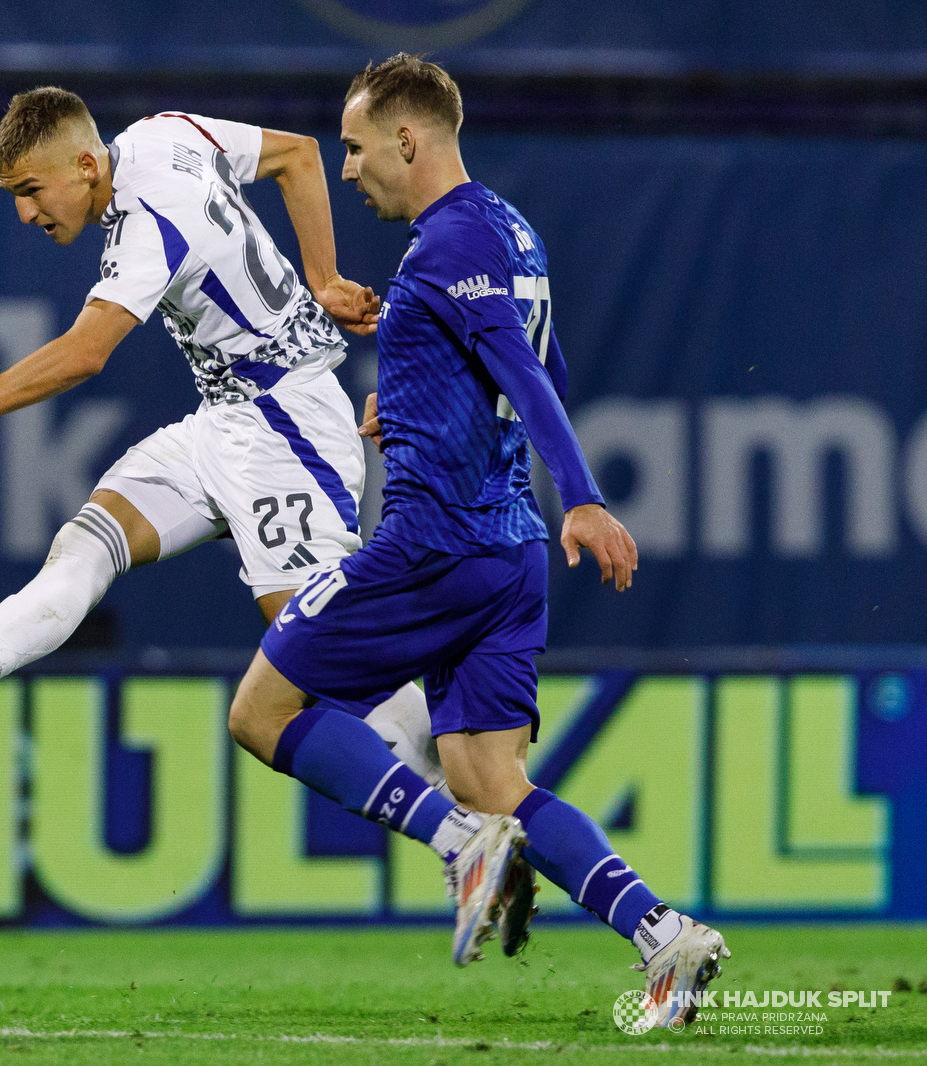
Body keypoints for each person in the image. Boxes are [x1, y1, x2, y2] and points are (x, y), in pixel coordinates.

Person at [0, 86, 526, 926]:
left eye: (31, 191)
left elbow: (85, 355)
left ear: (85, 165)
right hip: (224, 420)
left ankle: (484, 820)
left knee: (320, 660)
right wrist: (322, 277)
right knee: (87, 543)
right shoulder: (164, 132)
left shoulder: (150, 221)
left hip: (284, 427)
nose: (25, 214)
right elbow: (298, 154)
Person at [226, 54, 728, 1021]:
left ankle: (459, 848)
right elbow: (544, 367)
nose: (345, 167)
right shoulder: (510, 228)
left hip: (434, 544)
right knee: (494, 781)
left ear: (406, 140)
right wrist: (412, 406)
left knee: (261, 710)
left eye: (355, 145)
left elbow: (525, 376)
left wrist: (583, 495)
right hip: (511, 557)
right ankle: (665, 936)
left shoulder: (447, 242)